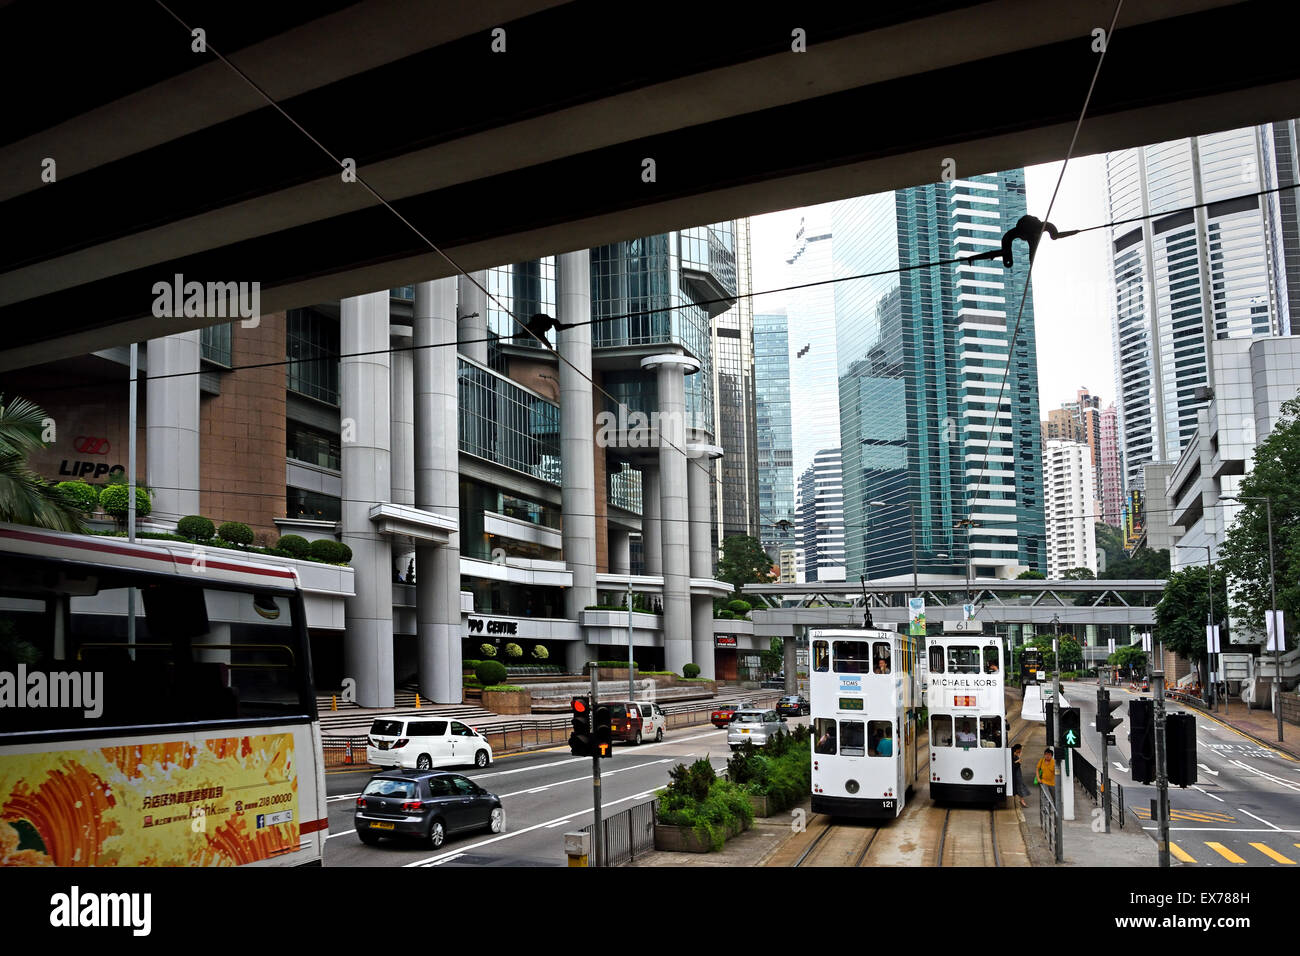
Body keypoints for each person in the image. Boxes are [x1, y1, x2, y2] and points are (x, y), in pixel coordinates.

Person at [1010, 743, 1028, 808]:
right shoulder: (1011, 754)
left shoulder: (1014, 753)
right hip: (1015, 773)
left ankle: (1021, 800)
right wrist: (1018, 761)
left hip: (1017, 773)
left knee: (1019, 785)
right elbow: (1012, 765)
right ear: (1017, 749)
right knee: (1019, 785)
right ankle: (1022, 801)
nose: (1020, 751)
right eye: (1020, 750)